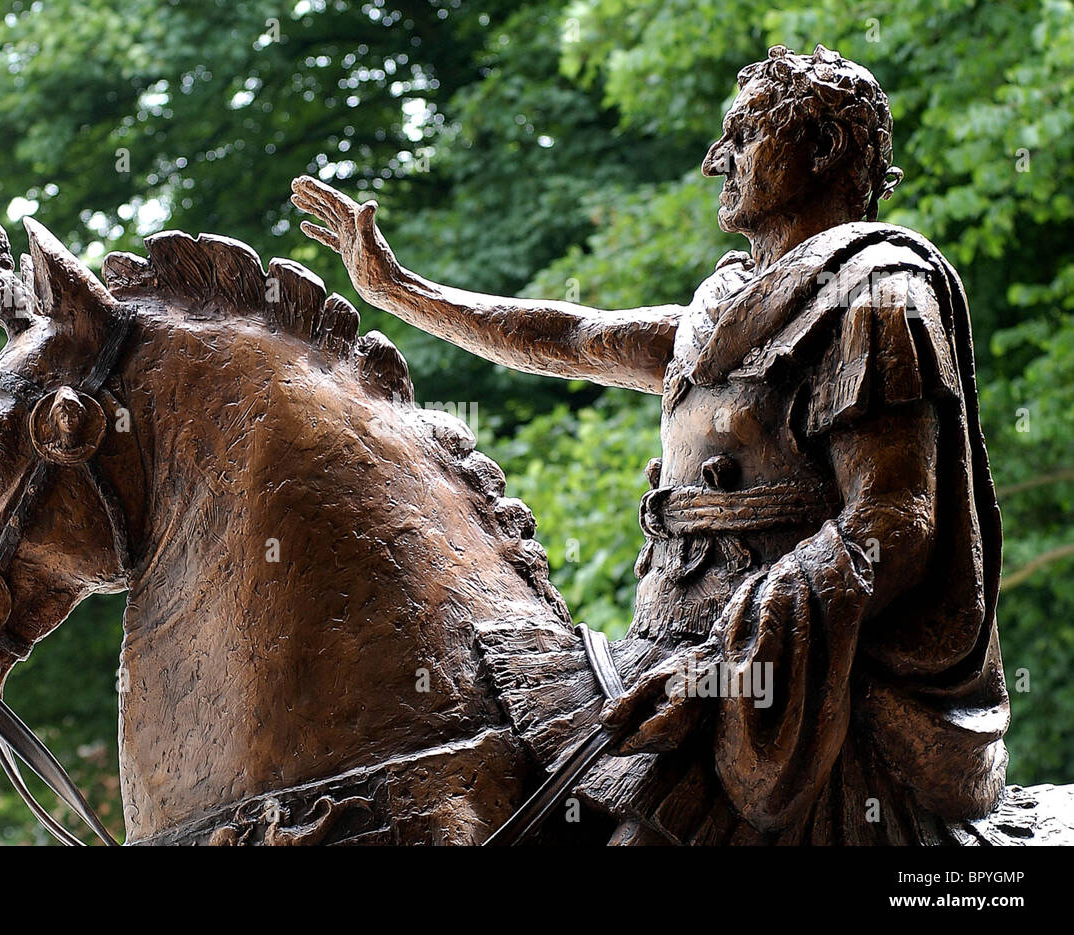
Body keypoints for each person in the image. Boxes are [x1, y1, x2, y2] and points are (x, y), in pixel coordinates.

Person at [292, 44, 1009, 844]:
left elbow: (893, 527)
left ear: (827, 146)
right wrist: (398, 290)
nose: (715, 160)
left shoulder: (880, 297)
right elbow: (569, 334)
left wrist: (719, 670)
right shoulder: (725, 311)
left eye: (743, 133)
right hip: (659, 657)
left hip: (794, 706)